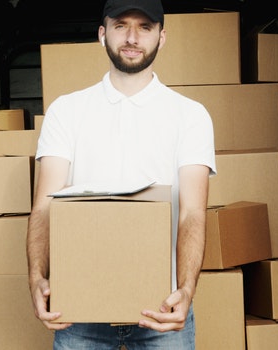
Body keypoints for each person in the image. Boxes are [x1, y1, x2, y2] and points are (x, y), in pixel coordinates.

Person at [27, 0, 216, 348]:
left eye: (145, 27)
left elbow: (192, 212)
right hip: (79, 310)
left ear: (162, 37)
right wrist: (37, 277)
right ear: (102, 34)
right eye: (120, 25)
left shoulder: (190, 116)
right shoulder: (66, 111)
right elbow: (44, 206)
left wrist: (187, 289)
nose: (132, 37)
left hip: (163, 307)